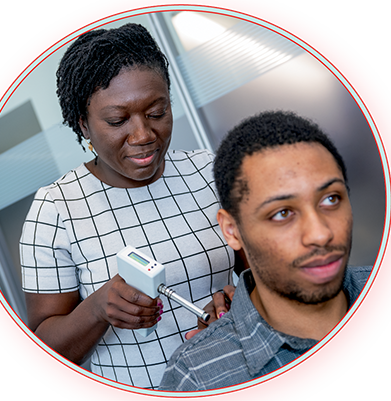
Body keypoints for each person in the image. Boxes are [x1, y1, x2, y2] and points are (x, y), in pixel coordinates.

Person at [19, 23, 239, 389]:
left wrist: (240, 302)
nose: (143, 135)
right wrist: (97, 308)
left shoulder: (208, 171)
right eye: (118, 120)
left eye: (156, 112)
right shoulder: (56, 210)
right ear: (83, 125)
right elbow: (43, 348)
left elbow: (262, 275)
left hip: (233, 376)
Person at [159, 110, 372, 391]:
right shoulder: (196, 377)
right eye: (283, 213)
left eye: (331, 198)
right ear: (232, 230)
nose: (321, 233)